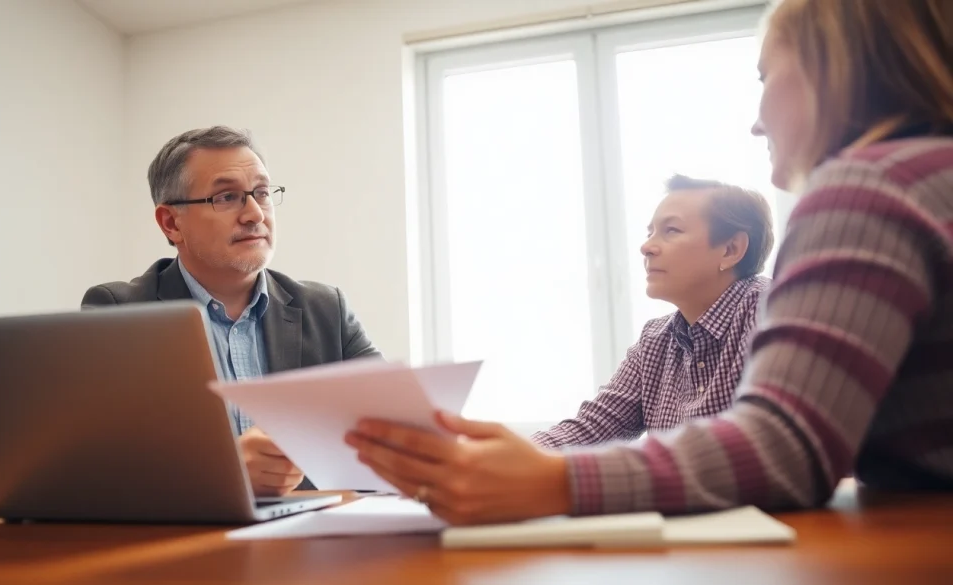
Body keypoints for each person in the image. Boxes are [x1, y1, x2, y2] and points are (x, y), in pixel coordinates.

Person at [346, 0, 953, 525]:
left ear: (834, 67)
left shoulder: (866, 191)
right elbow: (591, 426)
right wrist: (491, 457)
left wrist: (549, 482)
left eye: (766, 75)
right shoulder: (925, 178)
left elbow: (787, 446)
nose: (756, 117)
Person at [83, 126, 380, 496]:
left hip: (310, 540)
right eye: (226, 197)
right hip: (187, 544)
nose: (255, 214)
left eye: (261, 193)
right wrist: (223, 474)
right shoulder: (120, 314)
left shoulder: (327, 310)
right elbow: (96, 470)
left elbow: (391, 433)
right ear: (171, 223)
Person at [534, 175, 773, 448]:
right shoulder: (656, 339)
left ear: (731, 250)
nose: (646, 247)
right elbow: (594, 427)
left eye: (671, 230)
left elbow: (759, 444)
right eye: (650, 233)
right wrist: (501, 457)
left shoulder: (770, 313)